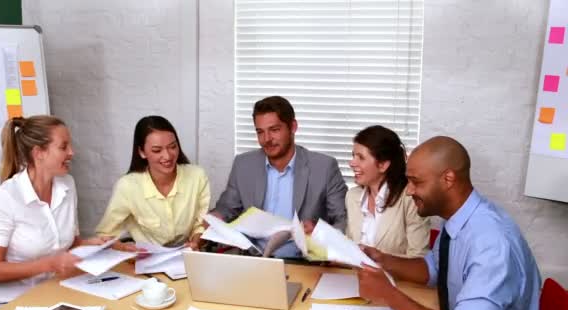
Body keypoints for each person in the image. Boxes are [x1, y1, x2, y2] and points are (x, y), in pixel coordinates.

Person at [357, 136, 541, 310]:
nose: (409, 191)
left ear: (448, 179)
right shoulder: (459, 219)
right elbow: (433, 269)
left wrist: (389, 294)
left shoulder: (491, 243)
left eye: (416, 182)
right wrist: (384, 261)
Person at [0, 116, 108, 310]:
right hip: (11, 304)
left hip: (56, 294)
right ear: (39, 152)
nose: (72, 152)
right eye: (63, 147)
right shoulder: (4, 199)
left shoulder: (67, 185)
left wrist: (96, 243)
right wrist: (49, 264)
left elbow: (70, 244)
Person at [211, 96, 347, 258]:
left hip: (303, 261)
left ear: (293, 127)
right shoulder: (243, 164)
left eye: (274, 130)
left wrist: (319, 232)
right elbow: (226, 208)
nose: (266, 139)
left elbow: (343, 221)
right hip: (254, 259)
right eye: (260, 132)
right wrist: (215, 218)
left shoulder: (324, 167)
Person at [96, 116, 210, 250]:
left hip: (186, 257)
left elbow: (201, 224)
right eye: (157, 150)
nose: (167, 156)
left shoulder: (197, 176)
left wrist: (195, 243)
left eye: (172, 147)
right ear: (142, 152)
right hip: (146, 260)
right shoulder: (128, 186)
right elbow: (105, 235)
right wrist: (126, 249)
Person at [346, 125, 429, 257]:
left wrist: (381, 262)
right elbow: (348, 249)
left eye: (360, 157)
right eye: (353, 156)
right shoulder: (352, 196)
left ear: (383, 165)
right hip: (355, 276)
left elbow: (418, 259)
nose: (351, 163)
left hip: (394, 278)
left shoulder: (411, 199)